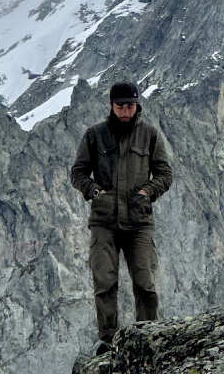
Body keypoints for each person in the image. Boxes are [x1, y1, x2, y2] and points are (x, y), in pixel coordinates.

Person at [70, 79, 173, 351]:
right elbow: (78, 172)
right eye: (120, 106)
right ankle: (107, 340)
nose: (126, 110)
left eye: (130, 105)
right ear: (111, 106)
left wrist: (148, 192)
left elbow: (164, 174)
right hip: (104, 221)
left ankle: (148, 336)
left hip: (139, 221)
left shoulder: (149, 135)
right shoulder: (95, 135)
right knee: (104, 281)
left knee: (145, 282)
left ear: (137, 105)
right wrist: (92, 190)